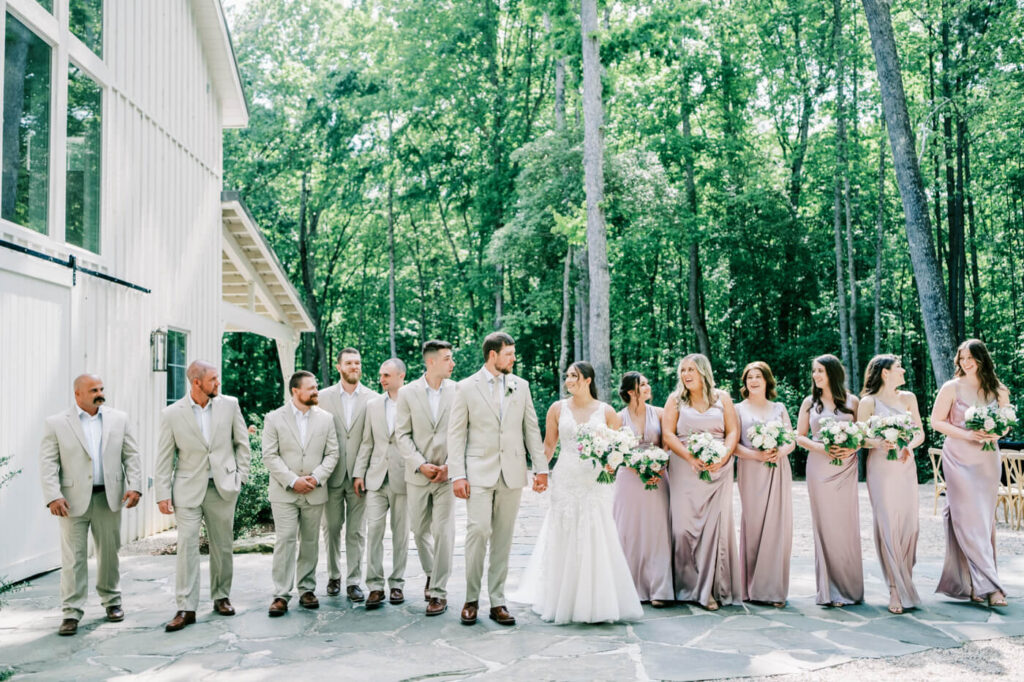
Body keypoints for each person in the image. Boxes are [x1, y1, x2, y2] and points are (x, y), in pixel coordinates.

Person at [513, 363, 643, 623]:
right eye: (568, 375)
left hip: (595, 481)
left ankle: (597, 599)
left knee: (596, 530)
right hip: (566, 477)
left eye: (574, 376)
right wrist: (540, 472)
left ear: (587, 380)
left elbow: (618, 449)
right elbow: (549, 445)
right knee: (565, 529)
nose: (568, 379)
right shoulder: (557, 408)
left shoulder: (606, 412)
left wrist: (611, 463)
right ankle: (562, 597)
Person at [448, 332, 548, 626]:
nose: (513, 358)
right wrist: (458, 474)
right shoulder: (466, 388)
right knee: (477, 532)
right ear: (493, 355)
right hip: (478, 473)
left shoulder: (521, 386)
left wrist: (539, 468)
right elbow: (456, 434)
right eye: (509, 354)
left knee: (503, 539)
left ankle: (498, 601)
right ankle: (470, 599)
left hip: (512, 472)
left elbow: (531, 428)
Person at [38, 374, 142, 636]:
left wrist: (136, 485)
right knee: (74, 558)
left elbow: (132, 455)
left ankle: (112, 602)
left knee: (109, 553)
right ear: (77, 394)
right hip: (70, 502)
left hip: (110, 497)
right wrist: (52, 495)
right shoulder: (56, 423)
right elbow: (48, 462)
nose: (99, 393)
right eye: (93, 389)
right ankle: (71, 612)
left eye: (101, 388)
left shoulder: (119, 419)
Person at [156, 361, 251, 631]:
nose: (218, 383)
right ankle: (186, 607)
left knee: (222, 545)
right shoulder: (172, 414)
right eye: (213, 379)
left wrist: (240, 477)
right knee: (187, 546)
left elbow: (242, 444)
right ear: (196, 382)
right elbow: (165, 456)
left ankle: (221, 597)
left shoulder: (229, 405)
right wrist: (162, 492)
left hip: (223, 487)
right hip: (187, 489)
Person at [930, 339, 1010, 607]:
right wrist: (967, 433)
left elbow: (1006, 425)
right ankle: (992, 586)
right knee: (966, 518)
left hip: (987, 458)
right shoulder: (951, 387)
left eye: (970, 358)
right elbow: (936, 421)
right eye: (961, 358)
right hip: (958, 458)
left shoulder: (998, 390)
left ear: (981, 359)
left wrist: (995, 432)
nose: (965, 362)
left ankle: (976, 584)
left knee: (984, 520)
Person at [662, 354, 741, 610]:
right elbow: (668, 434)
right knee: (682, 529)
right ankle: (685, 586)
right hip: (685, 469)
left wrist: (724, 455)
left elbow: (732, 432)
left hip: (719, 470)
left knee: (713, 531)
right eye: (683, 370)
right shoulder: (675, 400)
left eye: (691, 370)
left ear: (704, 373)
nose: (686, 374)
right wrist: (688, 457)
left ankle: (709, 591)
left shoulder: (722, 398)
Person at [262, 371, 339, 617]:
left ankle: (307, 589)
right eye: (311, 388)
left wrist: (316, 478)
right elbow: (269, 455)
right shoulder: (274, 418)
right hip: (284, 492)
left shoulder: (326, 419)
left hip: (315, 490)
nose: (316, 391)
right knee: (285, 540)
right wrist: (293, 480)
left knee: (310, 542)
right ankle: (281, 594)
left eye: (316, 387)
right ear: (295, 391)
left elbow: (332, 454)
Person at [395, 340, 458, 616]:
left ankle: (439, 592)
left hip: (447, 475)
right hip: (418, 475)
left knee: (444, 531)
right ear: (430, 362)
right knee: (419, 531)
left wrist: (451, 466)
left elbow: (464, 432)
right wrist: (421, 465)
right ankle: (432, 573)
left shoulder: (459, 391)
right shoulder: (407, 393)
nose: (452, 363)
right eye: (447, 358)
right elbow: (402, 435)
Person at [858, 355, 925, 614]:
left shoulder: (908, 399)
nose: (904, 370)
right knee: (888, 523)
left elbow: (919, 431)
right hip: (881, 468)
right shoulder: (868, 402)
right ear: (885, 372)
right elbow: (861, 437)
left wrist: (909, 444)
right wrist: (877, 442)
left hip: (905, 465)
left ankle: (905, 577)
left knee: (910, 525)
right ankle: (895, 589)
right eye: (899, 367)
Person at [795, 354, 863, 607]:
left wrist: (851, 448)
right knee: (824, 525)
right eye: (814, 371)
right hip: (819, 467)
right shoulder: (809, 403)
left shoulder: (852, 400)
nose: (815, 376)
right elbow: (799, 437)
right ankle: (829, 590)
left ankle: (849, 589)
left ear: (833, 373)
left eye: (820, 371)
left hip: (846, 467)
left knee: (845, 525)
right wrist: (822, 448)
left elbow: (862, 434)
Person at [733, 361, 795, 607]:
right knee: (754, 524)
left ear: (767, 380)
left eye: (758, 376)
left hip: (777, 467)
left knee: (777, 525)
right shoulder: (738, 409)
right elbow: (734, 444)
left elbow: (791, 438)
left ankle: (773, 589)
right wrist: (756, 455)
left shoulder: (778, 407)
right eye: (749, 377)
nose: (753, 381)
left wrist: (780, 451)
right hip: (751, 469)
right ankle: (750, 587)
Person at [319, 347, 378, 602]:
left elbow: (374, 439)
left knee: (357, 531)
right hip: (331, 475)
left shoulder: (373, 399)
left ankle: (354, 581)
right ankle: (334, 575)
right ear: (339, 366)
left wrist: (364, 472)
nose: (355, 366)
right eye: (349, 363)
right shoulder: (322, 397)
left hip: (359, 477)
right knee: (331, 527)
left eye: (358, 362)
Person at [613, 372, 672, 607]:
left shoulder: (659, 413)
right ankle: (630, 589)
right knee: (628, 531)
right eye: (643, 384)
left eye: (648, 383)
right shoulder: (618, 418)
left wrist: (660, 464)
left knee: (657, 532)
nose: (648, 387)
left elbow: (667, 444)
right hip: (628, 478)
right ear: (630, 391)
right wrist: (636, 467)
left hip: (657, 478)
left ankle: (659, 588)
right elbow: (615, 449)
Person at [354, 359, 410, 609]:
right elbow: (367, 442)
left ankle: (397, 584)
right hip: (375, 478)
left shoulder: (412, 401)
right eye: (380, 374)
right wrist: (359, 473)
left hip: (404, 477)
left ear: (401, 375)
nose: (382, 379)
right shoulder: (373, 405)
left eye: (387, 374)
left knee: (401, 534)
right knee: (374, 531)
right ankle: (375, 587)